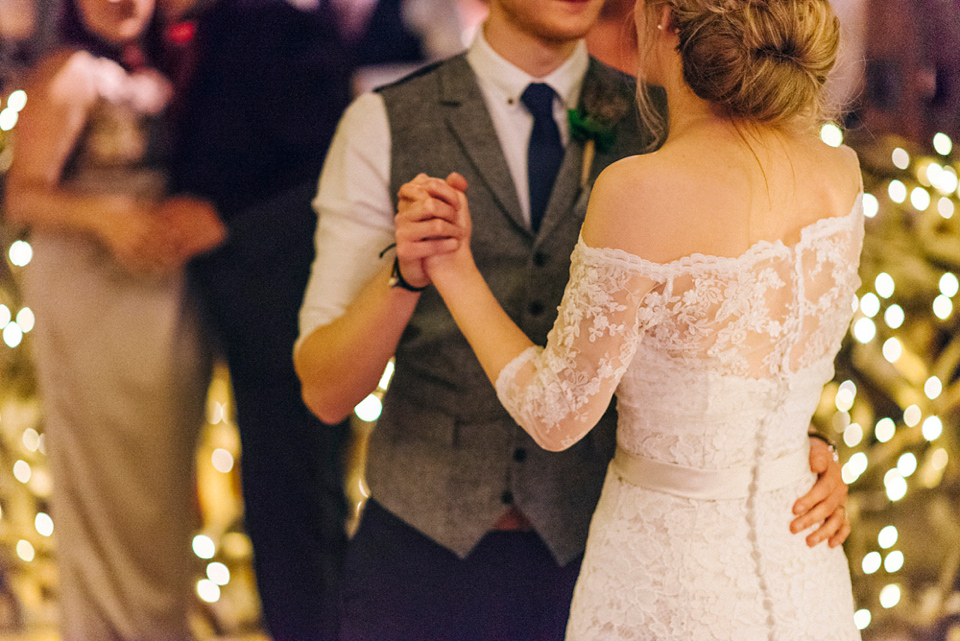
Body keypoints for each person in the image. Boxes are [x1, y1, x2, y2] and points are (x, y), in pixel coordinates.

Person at [295, 0, 851, 638]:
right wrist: (408, 271)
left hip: (612, 554)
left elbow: (752, 321)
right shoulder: (382, 123)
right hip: (425, 564)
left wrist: (793, 452)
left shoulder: (683, 111)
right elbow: (325, 390)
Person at [3, 0, 225, 637]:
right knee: (109, 485)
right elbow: (23, 193)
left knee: (160, 486)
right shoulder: (68, 71)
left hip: (160, 288)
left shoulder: (167, 63)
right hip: (93, 286)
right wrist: (107, 219)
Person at [166, 0, 353, 638]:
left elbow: (327, 163)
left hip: (282, 297)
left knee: (293, 504)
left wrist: (225, 216)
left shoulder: (272, 21)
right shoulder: (244, 18)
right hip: (252, 297)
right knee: (285, 502)